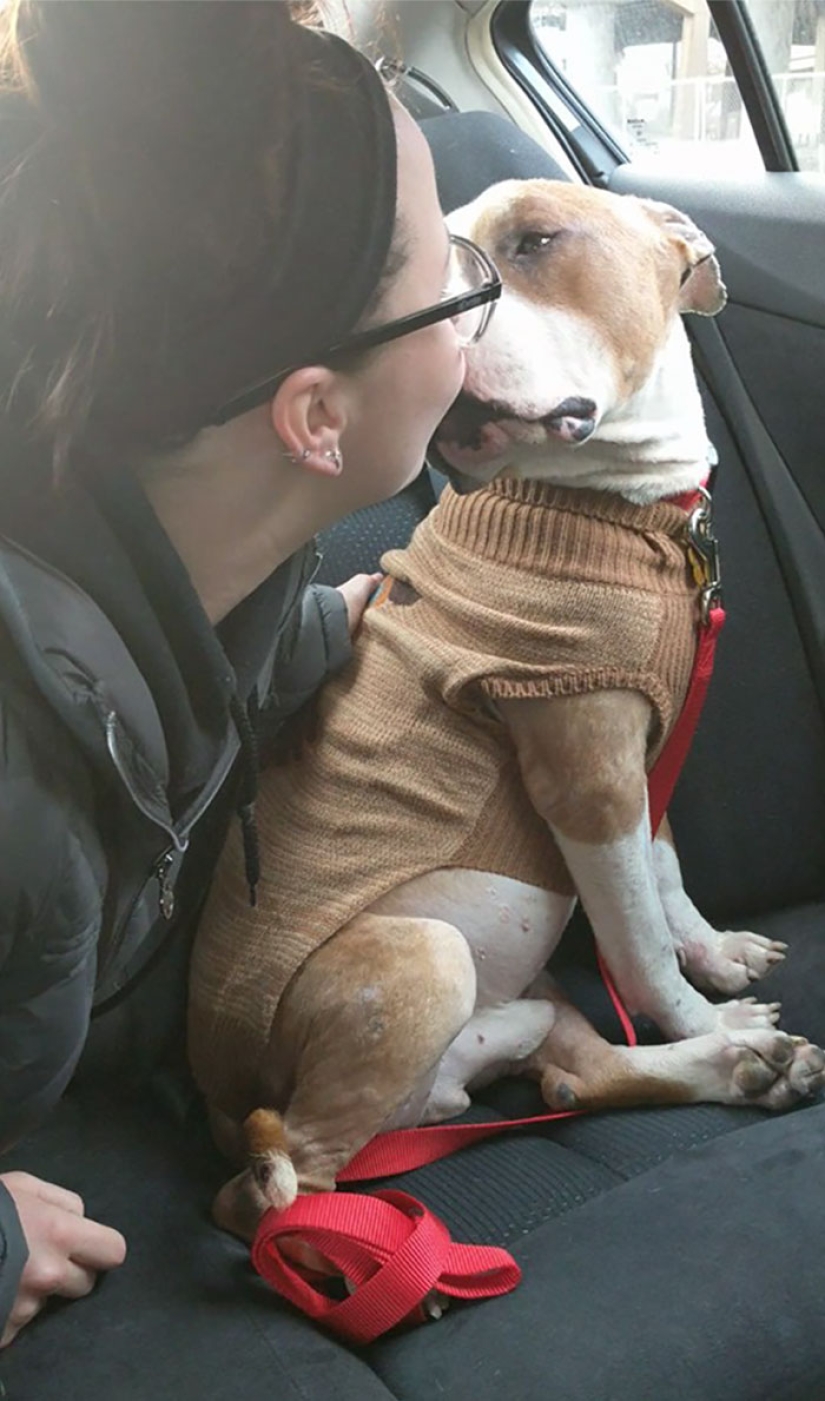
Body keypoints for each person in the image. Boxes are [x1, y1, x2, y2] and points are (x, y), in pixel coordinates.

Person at [0, 0, 499, 1349]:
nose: (470, 326)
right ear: (314, 417)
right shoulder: (18, 803)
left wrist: (358, 619)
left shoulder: (131, 511)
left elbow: (223, 645)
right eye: (451, 281)